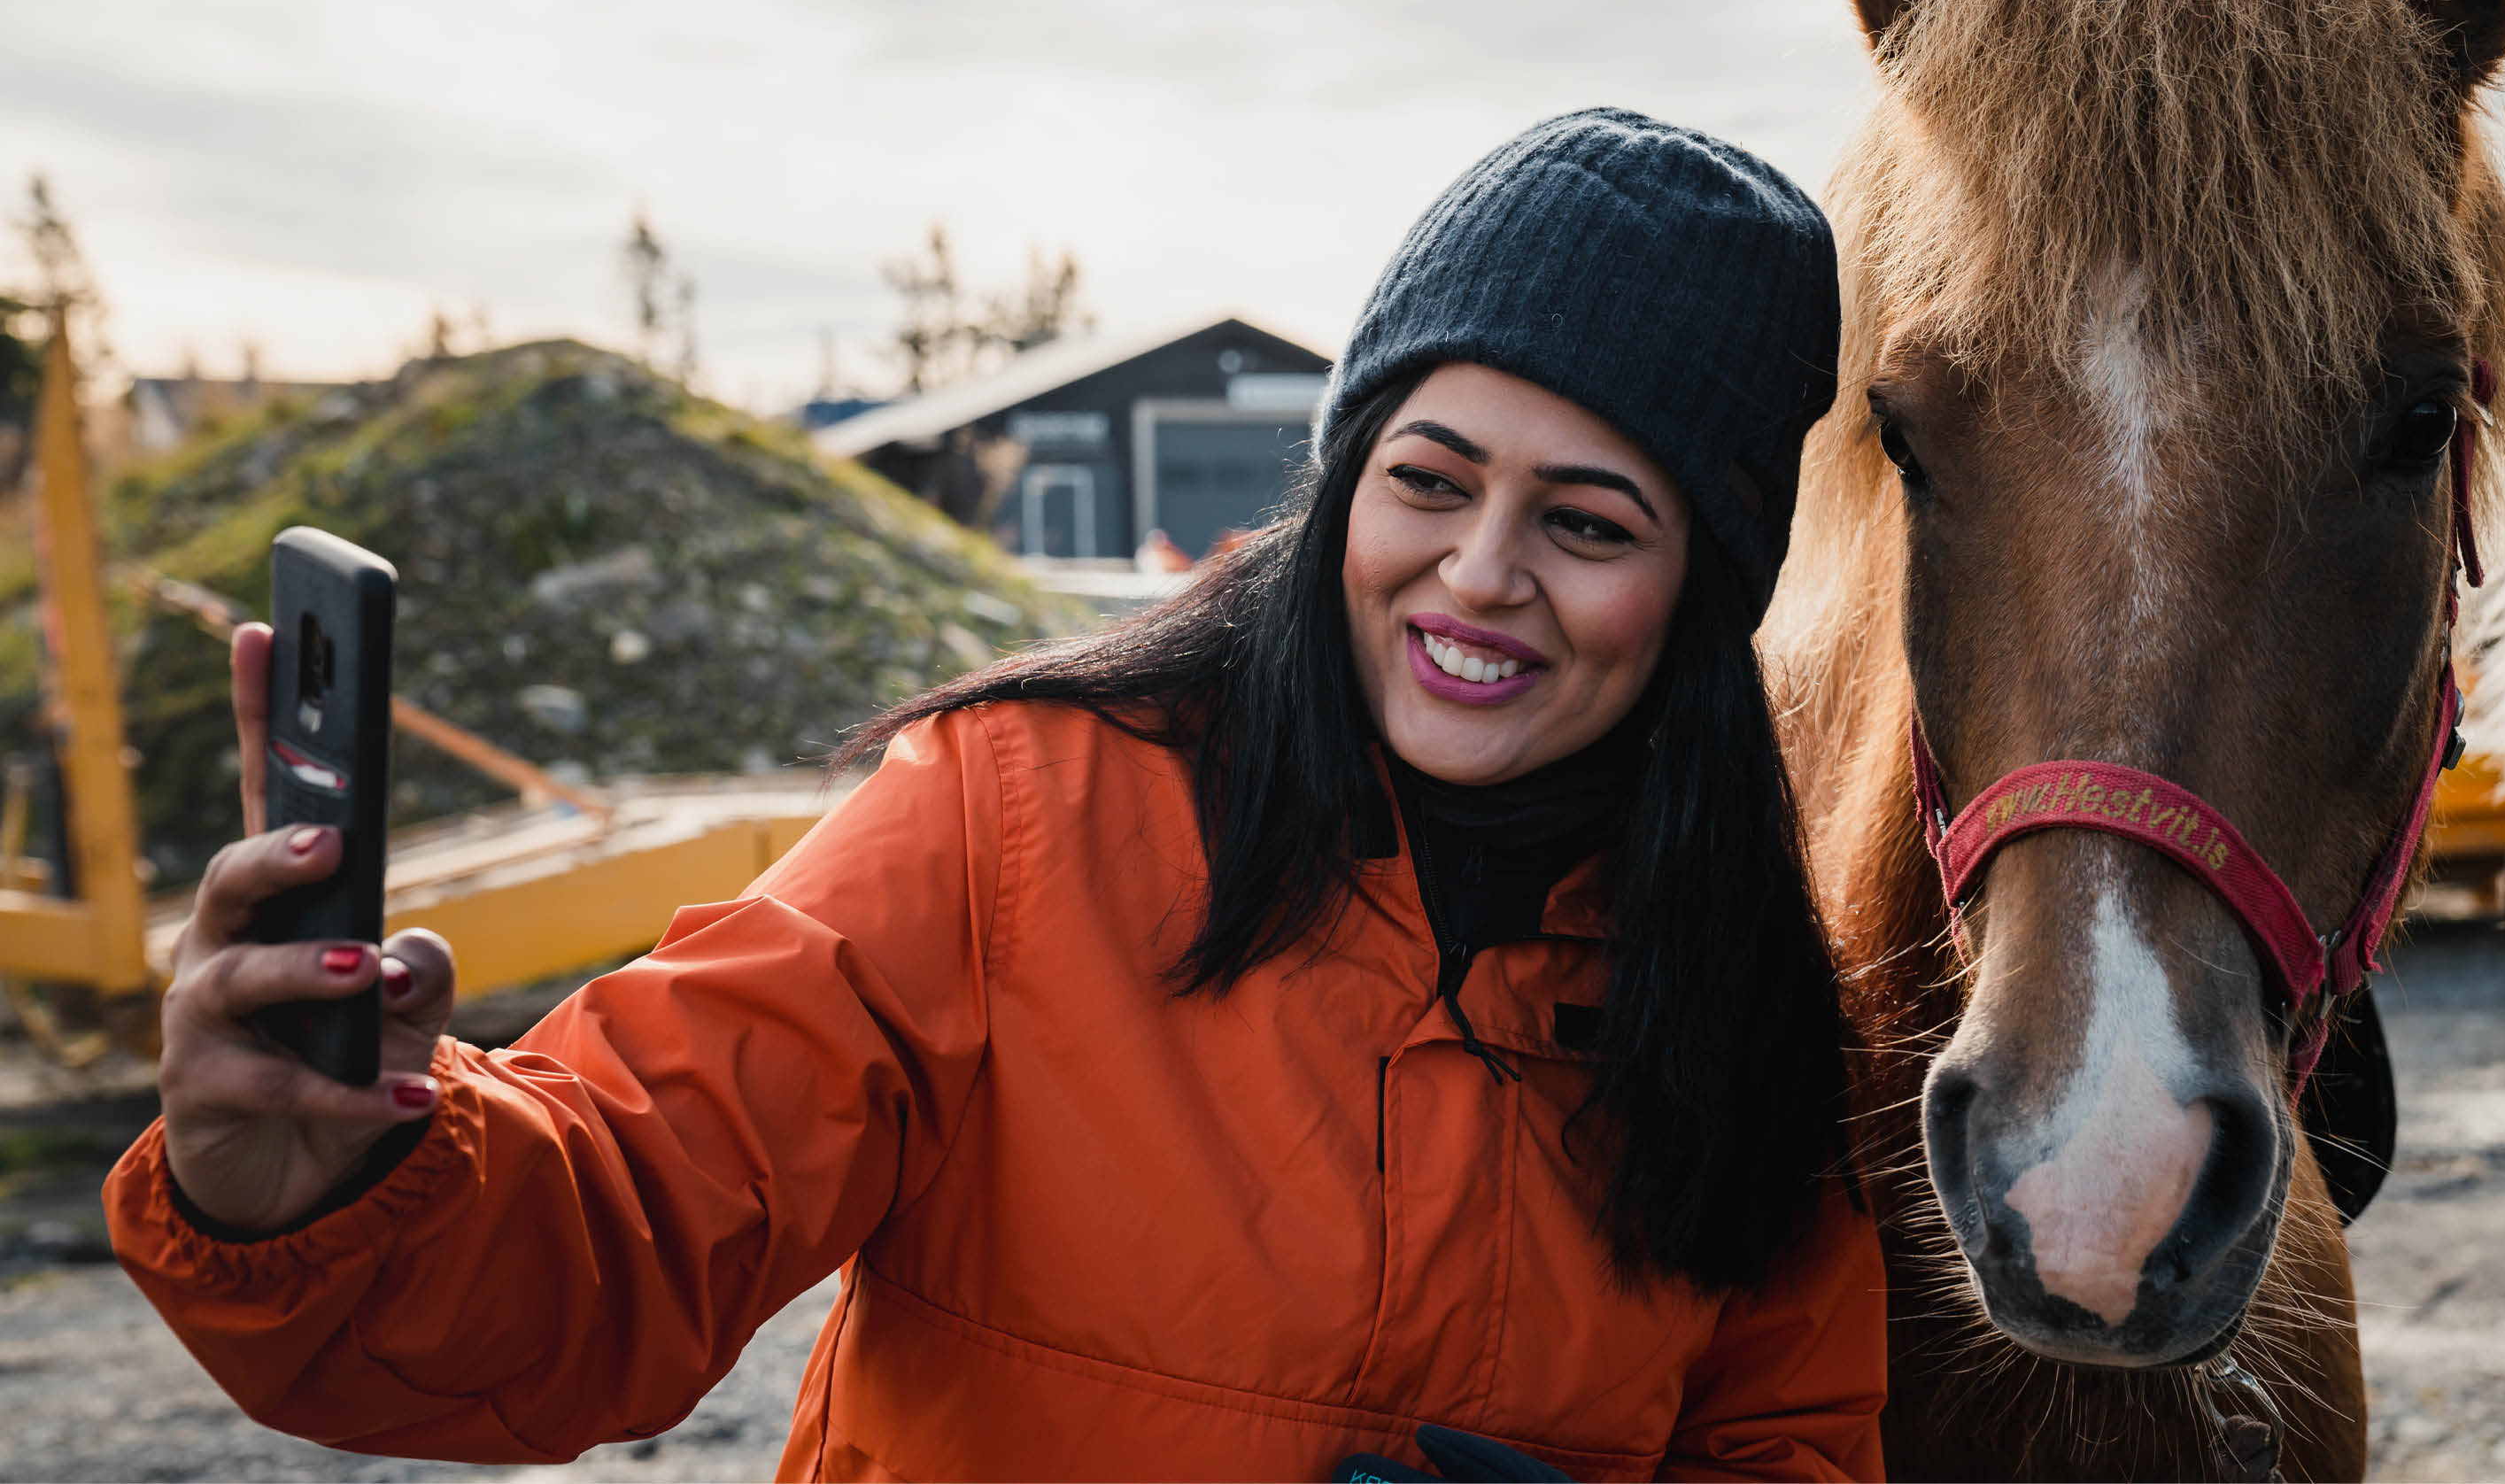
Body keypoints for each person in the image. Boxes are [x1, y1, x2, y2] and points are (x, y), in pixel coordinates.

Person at [104, 108, 1881, 1481]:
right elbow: (629, 1211)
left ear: (1703, 591)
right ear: (1342, 484)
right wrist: (329, 1187)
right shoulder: (1018, 811)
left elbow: (1787, 1437)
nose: (1477, 573)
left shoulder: (1741, 975)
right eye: (1427, 479)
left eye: (1585, 523)